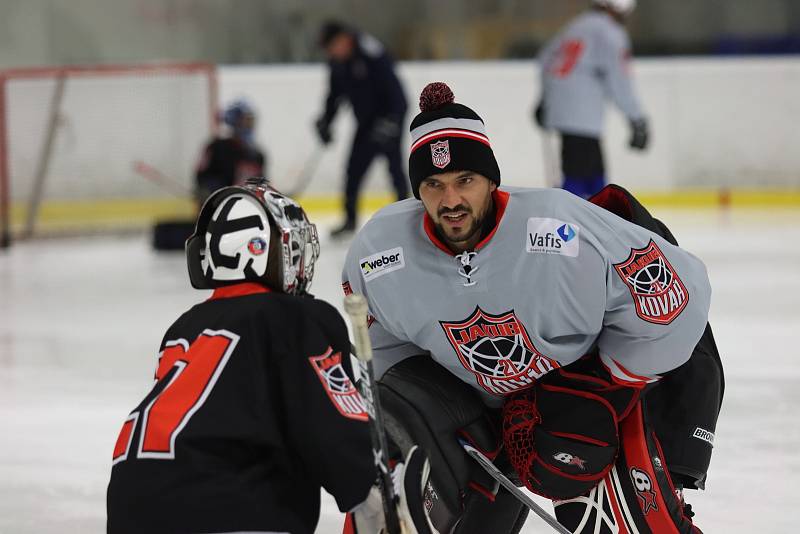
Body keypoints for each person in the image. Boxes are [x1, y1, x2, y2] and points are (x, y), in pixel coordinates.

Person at [342, 83, 723, 533]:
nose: (450, 201)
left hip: (591, 380)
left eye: (465, 180)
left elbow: (676, 297)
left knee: (615, 493)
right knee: (399, 456)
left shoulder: (560, 228)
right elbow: (384, 352)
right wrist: (435, 419)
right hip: (479, 404)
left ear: (491, 180)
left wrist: (605, 386)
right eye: (434, 184)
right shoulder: (380, 252)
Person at [107, 177, 434, 534]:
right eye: (288, 242)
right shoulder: (295, 316)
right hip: (231, 508)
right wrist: (376, 487)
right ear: (259, 248)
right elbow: (333, 428)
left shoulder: (184, 328)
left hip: (130, 512)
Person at [534, 0, 649, 198]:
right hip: (584, 117)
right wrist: (636, 118)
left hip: (565, 115)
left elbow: (546, 60)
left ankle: (587, 215)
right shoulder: (610, 33)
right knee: (585, 179)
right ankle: (577, 220)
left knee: (585, 172)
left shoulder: (576, 25)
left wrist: (546, 100)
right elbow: (620, 80)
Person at [315, 20, 409, 238]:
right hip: (365, 123)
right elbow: (335, 96)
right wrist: (326, 122)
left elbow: (396, 92)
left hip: (388, 120)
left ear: (344, 40)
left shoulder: (371, 53)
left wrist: (392, 122)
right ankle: (349, 220)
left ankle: (407, 219)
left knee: (395, 170)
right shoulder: (337, 62)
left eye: (332, 47)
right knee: (353, 170)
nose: (331, 53)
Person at [195, 100, 266, 206]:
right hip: (219, 209)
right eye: (245, 121)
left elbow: (260, 185)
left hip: (247, 209)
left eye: (250, 121)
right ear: (234, 121)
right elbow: (202, 178)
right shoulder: (217, 148)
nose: (248, 126)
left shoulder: (257, 155)